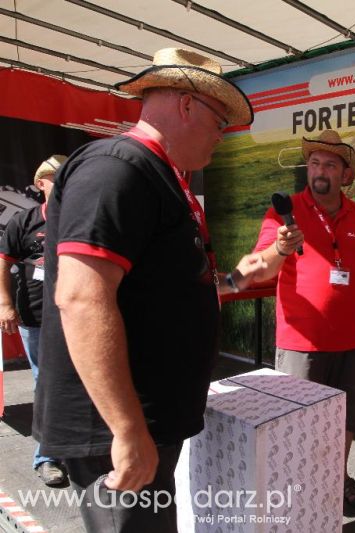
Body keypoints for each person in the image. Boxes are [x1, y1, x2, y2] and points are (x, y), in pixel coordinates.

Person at [32, 48, 265, 532]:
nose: (222, 136)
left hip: (144, 422)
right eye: (220, 120)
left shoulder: (157, 175)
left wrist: (239, 277)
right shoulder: (119, 168)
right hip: (113, 429)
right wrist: (125, 428)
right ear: (185, 105)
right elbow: (81, 298)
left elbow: (166, 291)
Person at [246, 129, 355, 509]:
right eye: (313, 163)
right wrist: (280, 247)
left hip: (351, 342)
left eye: (329, 163)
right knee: (295, 424)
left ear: (345, 174)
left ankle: (336, 479)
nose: (319, 170)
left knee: (346, 420)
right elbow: (260, 268)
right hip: (300, 344)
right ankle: (298, 494)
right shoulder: (283, 211)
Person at [0, 155, 68, 486]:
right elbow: (3, 262)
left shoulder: (80, 218)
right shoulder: (24, 221)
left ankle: (79, 448)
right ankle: (47, 456)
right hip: (37, 317)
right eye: (57, 177)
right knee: (46, 383)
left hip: (77, 317)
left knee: (84, 381)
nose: (64, 182)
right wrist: (4, 304)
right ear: (41, 184)